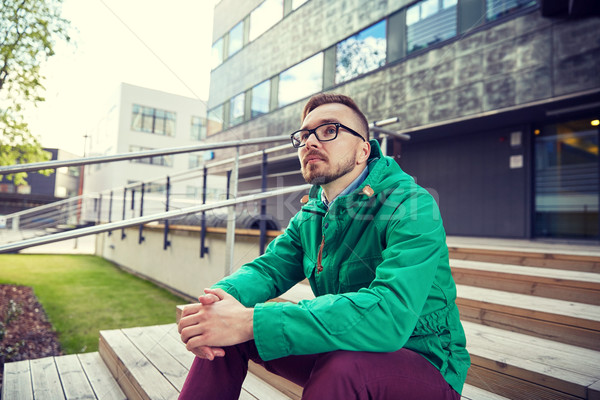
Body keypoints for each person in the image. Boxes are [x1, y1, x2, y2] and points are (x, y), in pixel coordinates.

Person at [178, 93, 470, 399]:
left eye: (329, 130)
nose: (310, 142)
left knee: (342, 365)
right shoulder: (312, 214)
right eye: (304, 135)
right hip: (345, 346)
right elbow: (267, 271)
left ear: (363, 150)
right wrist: (213, 307)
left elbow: (389, 315)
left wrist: (250, 320)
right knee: (225, 334)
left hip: (425, 363)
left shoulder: (412, 205)